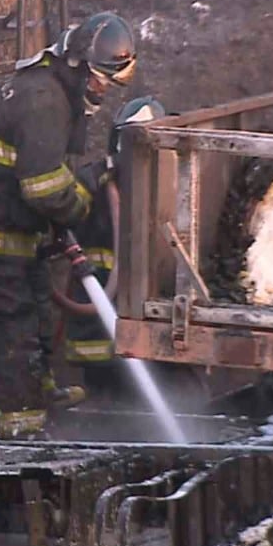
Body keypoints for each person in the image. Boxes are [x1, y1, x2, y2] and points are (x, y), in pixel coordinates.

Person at [0, 11, 139, 438]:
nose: (104, 91)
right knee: (11, 330)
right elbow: (45, 190)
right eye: (103, 80)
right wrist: (82, 195)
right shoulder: (44, 102)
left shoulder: (52, 88)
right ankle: (17, 427)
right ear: (82, 66)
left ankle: (39, 393)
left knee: (36, 318)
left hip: (8, 231)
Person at [58, 97, 165, 404]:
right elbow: (60, 213)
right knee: (107, 386)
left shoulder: (170, 181)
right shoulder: (96, 182)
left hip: (140, 311)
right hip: (99, 301)